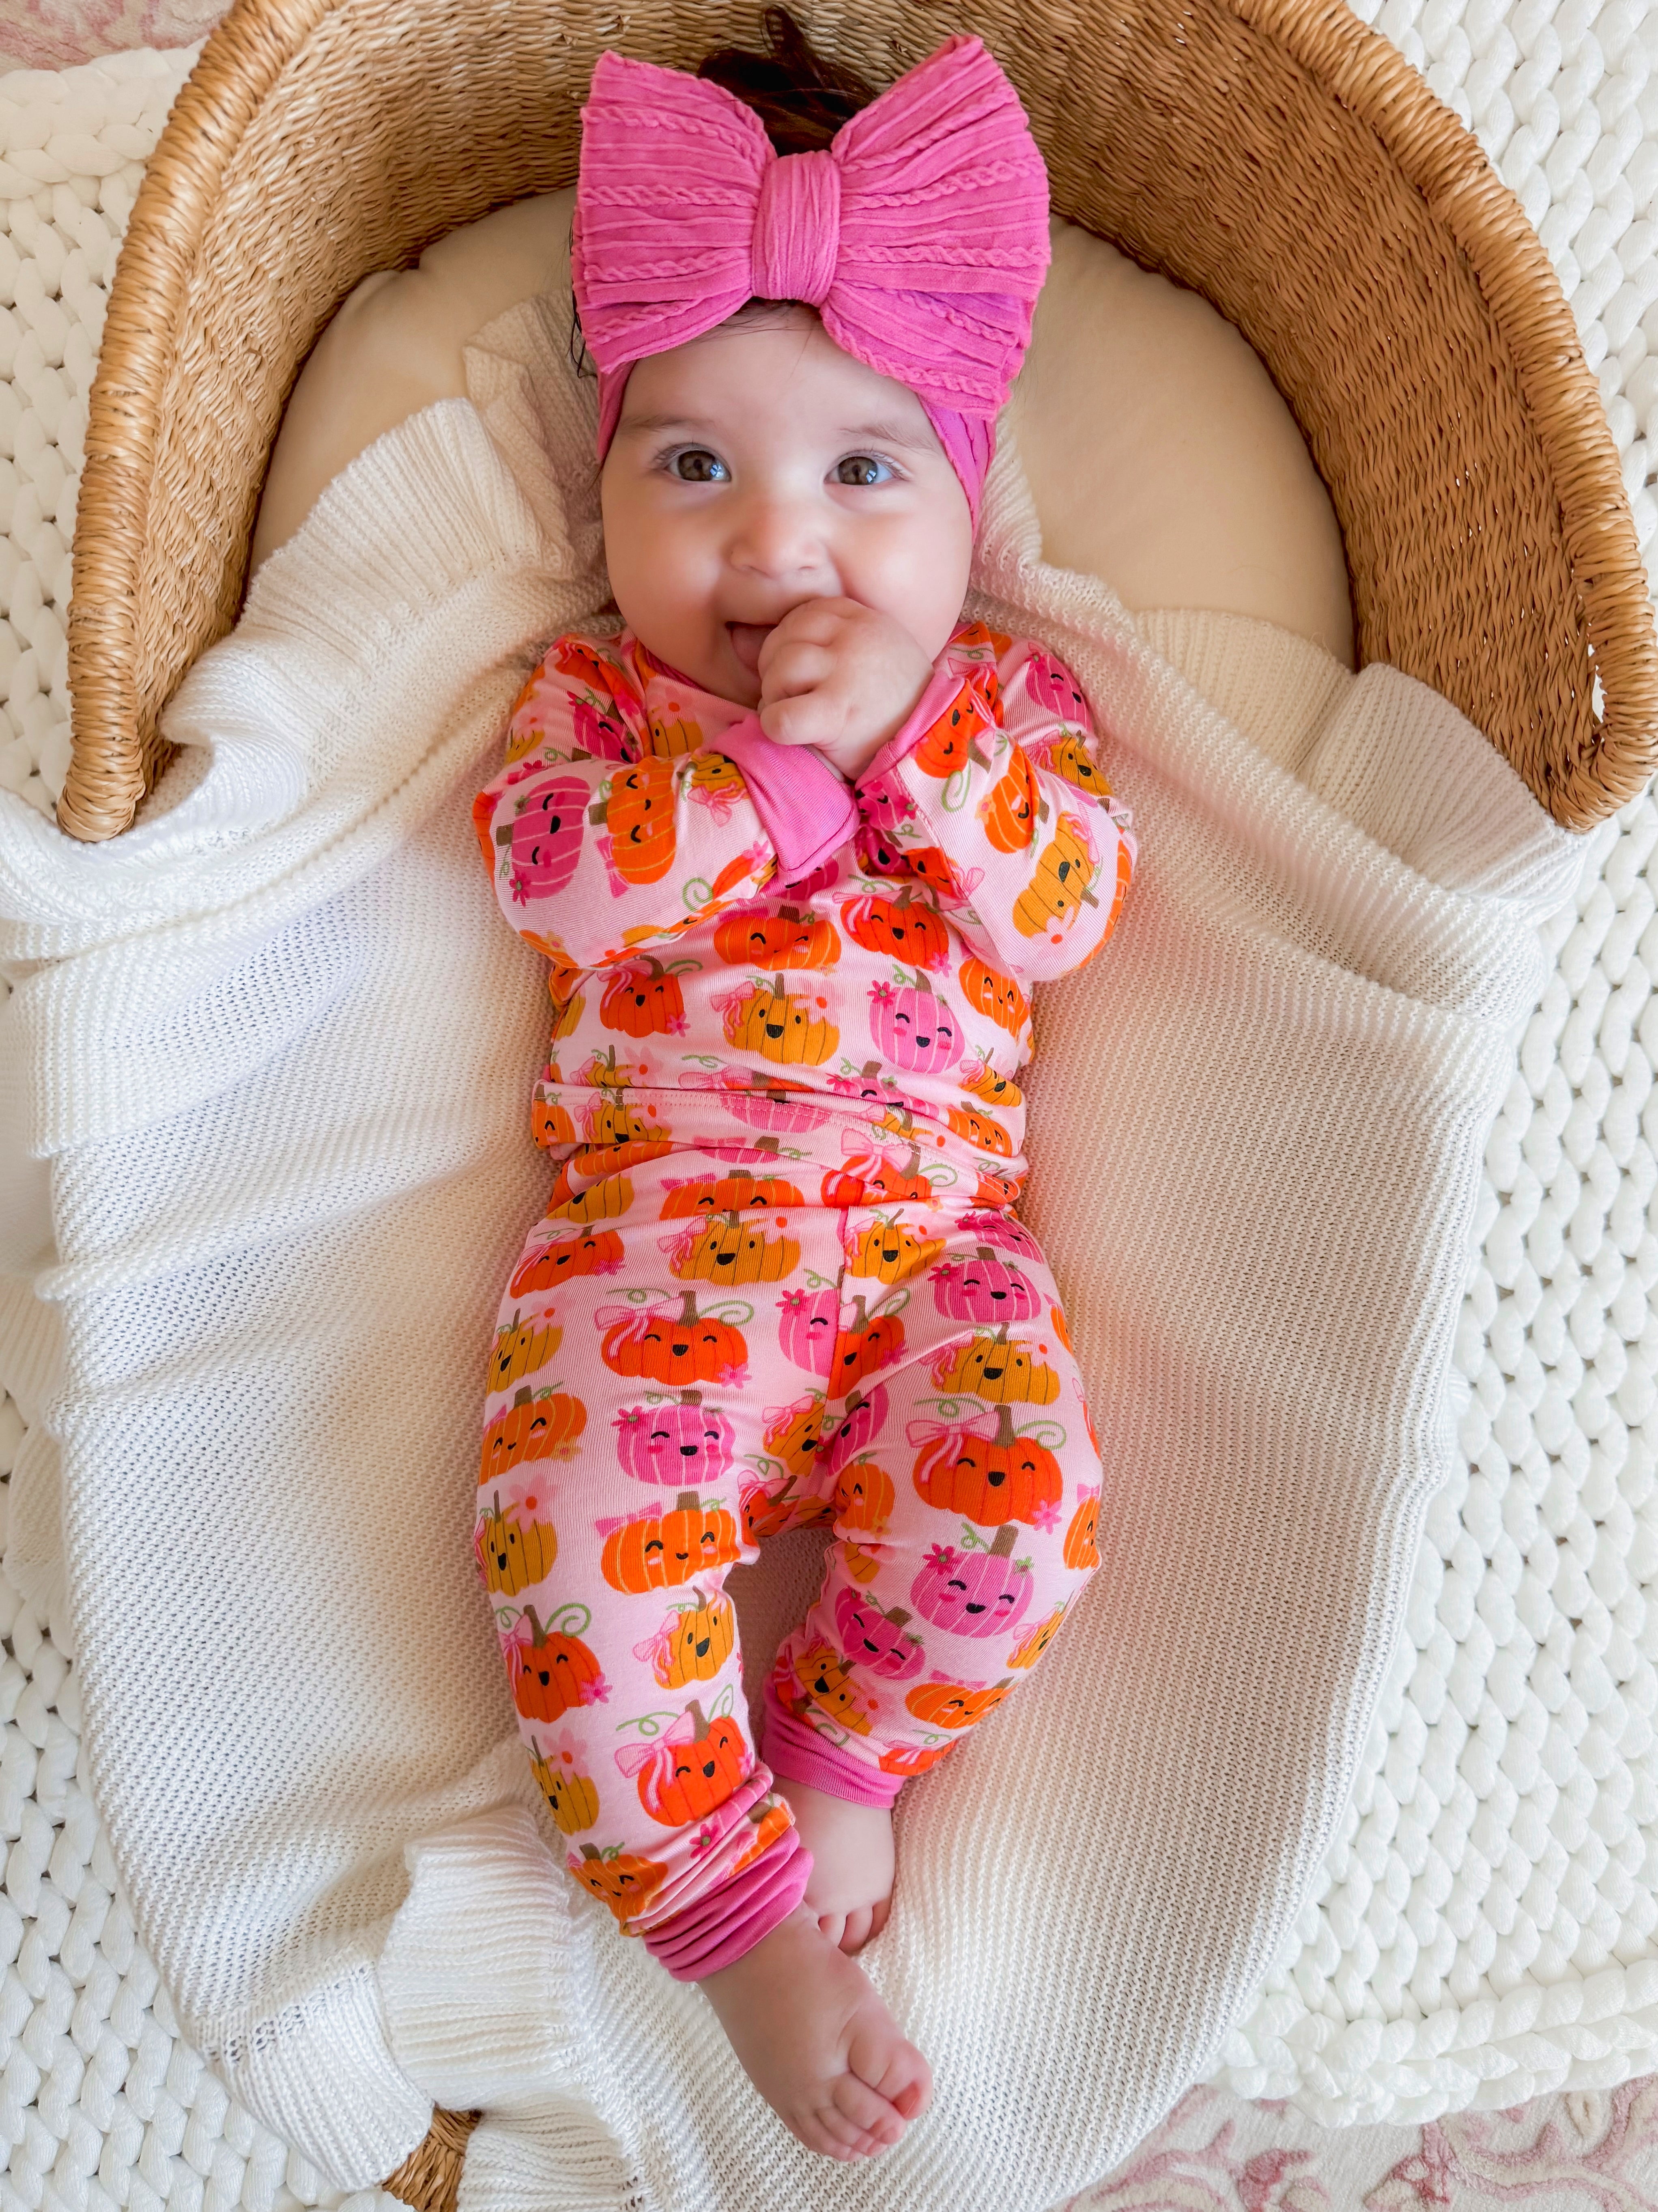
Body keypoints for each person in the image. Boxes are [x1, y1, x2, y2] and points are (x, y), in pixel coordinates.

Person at [470, 9, 1137, 2161]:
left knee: (1024, 1504)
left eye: (863, 472)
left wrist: (907, 745)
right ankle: (720, 1899)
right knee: (569, 1540)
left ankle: (842, 1744)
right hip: (649, 1258)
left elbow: (1063, 910)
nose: (779, 544)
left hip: (940, 1263)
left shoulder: (1006, 706)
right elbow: (551, 886)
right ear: (605, 500)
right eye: (695, 467)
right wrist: (760, 782)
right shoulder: (600, 706)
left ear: (964, 500)